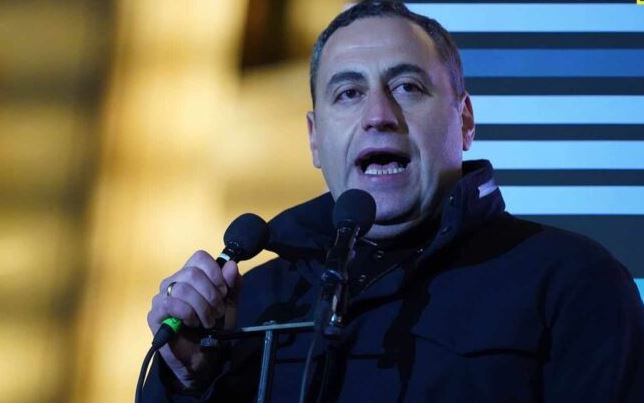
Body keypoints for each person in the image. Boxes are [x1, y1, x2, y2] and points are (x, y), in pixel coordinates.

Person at [142, 1, 644, 402]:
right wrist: (192, 380)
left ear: (465, 121)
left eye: (407, 87)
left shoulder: (572, 280)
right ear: (315, 139)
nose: (378, 115)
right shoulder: (252, 303)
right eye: (348, 93)